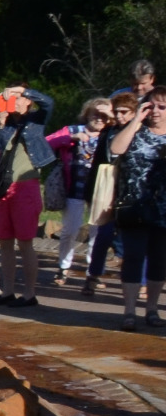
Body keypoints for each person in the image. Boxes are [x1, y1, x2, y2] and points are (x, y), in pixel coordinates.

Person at [0, 83, 57, 307]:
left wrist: (21, 90)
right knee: (5, 242)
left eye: (18, 98)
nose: (14, 101)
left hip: (26, 187)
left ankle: (29, 294)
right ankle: (7, 291)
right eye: (10, 97)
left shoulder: (36, 121)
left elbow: (49, 102)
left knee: (25, 242)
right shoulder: (5, 125)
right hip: (2, 188)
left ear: (28, 100)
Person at [107, 86, 166, 329]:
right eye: (152, 106)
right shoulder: (135, 131)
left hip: (163, 210)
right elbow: (115, 150)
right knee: (132, 258)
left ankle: (151, 309)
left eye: (163, 107)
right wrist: (135, 121)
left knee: (159, 261)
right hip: (133, 207)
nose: (157, 112)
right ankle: (129, 311)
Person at [47, 99, 108, 285]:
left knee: (97, 233)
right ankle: (63, 268)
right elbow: (46, 142)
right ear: (87, 114)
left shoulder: (110, 134)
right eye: (95, 114)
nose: (99, 119)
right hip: (75, 188)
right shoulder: (73, 130)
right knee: (69, 231)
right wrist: (71, 139)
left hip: (100, 191)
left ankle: (94, 272)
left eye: (104, 116)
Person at [84, 93, 134, 295]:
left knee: (135, 239)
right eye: (118, 112)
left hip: (131, 192)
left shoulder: (141, 132)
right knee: (103, 235)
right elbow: (98, 164)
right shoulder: (108, 132)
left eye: (125, 112)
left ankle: (141, 282)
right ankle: (93, 275)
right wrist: (91, 191)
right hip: (109, 190)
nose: (120, 117)